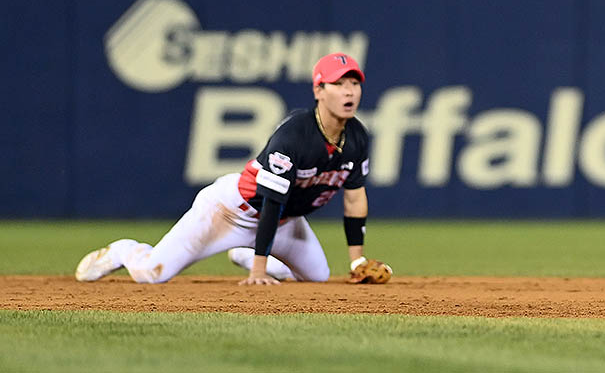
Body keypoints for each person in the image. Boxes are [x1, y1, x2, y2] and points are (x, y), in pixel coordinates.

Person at [75, 53, 381, 285]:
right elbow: (272, 201)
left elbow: (354, 199)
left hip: (285, 222)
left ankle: (244, 253)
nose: (349, 92)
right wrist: (259, 270)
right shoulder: (294, 135)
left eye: (354, 84)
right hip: (232, 211)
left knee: (318, 277)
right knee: (152, 274)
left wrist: (357, 263)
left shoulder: (357, 137)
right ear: (319, 90)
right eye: (338, 84)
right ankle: (124, 250)